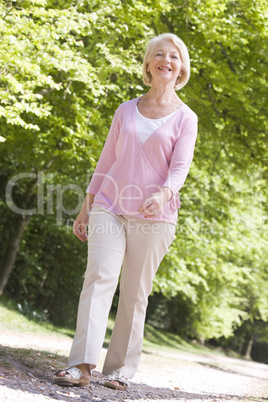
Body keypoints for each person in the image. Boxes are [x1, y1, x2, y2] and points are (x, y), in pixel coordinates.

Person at [54, 32, 198, 390]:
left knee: (135, 293)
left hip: (155, 215)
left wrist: (164, 194)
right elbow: (106, 162)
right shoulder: (125, 110)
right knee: (100, 277)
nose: (167, 60)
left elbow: (179, 168)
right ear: (149, 64)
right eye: (159, 54)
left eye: (174, 56)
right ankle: (81, 365)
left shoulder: (186, 118)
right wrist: (86, 208)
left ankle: (118, 369)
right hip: (109, 206)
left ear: (181, 68)